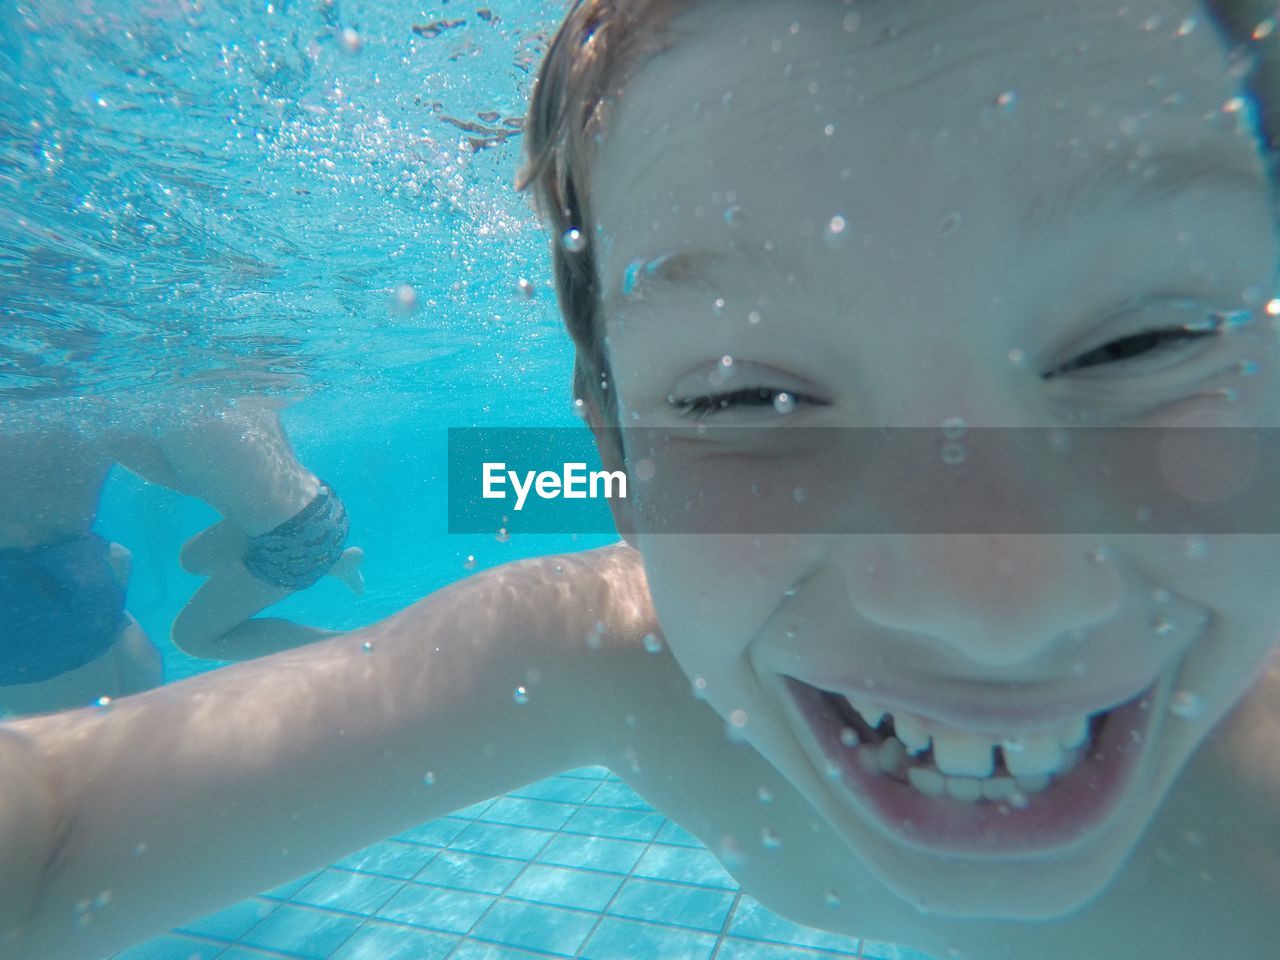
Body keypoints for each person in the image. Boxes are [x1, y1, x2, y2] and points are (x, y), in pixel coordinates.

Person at [2, 0, 1279, 958]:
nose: (986, 604)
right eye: (745, 400)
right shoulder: (609, 661)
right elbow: (57, 827)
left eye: (1144, 344)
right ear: (614, 462)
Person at [0, 396, 363, 718]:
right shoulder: (238, 395)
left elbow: (181, 480)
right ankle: (334, 560)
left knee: (192, 640)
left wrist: (118, 442)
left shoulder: (178, 421)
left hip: (293, 544)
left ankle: (338, 643)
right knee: (192, 559)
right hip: (323, 504)